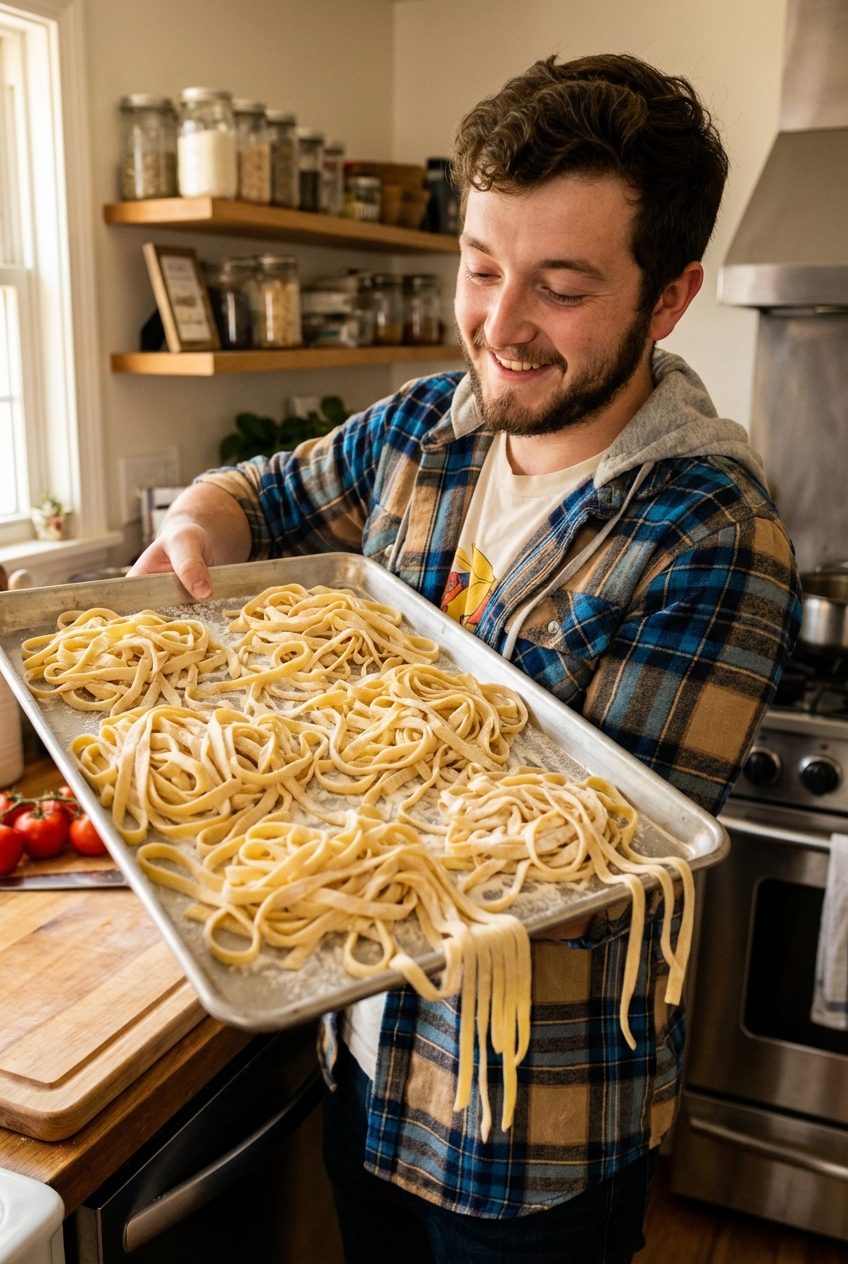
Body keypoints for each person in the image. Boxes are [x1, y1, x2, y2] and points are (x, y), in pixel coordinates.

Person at [131, 54, 801, 1264]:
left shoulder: (712, 534)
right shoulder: (424, 429)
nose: (498, 328)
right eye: (480, 268)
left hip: (525, 1124)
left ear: (667, 297)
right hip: (366, 1064)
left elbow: (595, 857)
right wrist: (192, 529)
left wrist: (287, 763)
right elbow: (255, 493)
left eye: (558, 286)